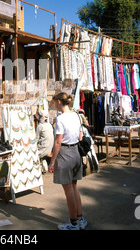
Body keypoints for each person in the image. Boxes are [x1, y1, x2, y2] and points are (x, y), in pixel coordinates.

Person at [48, 92, 88, 230]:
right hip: (76, 151)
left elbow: (58, 142)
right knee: (74, 187)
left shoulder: (61, 119)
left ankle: (73, 222)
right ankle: (80, 218)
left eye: (54, 102)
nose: (54, 105)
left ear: (59, 102)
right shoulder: (76, 115)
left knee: (68, 190)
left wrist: (52, 161)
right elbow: (80, 134)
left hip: (65, 154)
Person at [36, 109, 54, 173]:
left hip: (44, 149)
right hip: (49, 148)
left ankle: (39, 169)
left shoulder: (40, 126)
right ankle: (44, 168)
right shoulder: (49, 125)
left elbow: (36, 139)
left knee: (33, 154)